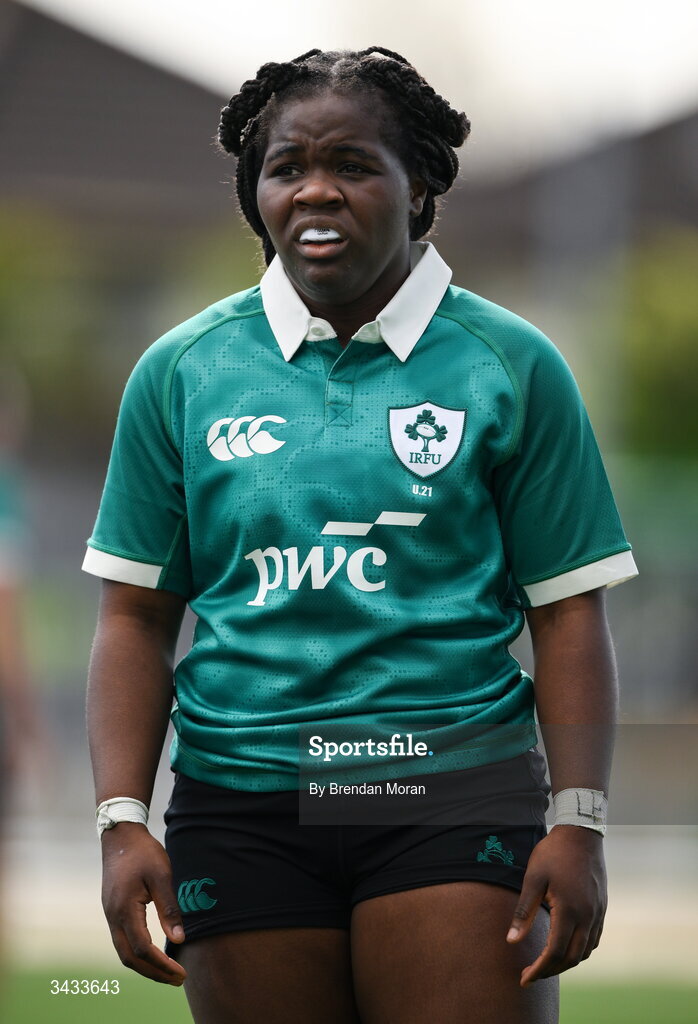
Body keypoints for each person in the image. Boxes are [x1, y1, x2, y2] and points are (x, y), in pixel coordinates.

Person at [83, 47, 638, 1023]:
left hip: (448, 790)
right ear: (254, 191)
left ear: (417, 182)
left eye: (351, 164)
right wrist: (122, 821)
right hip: (244, 805)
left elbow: (566, 615)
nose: (315, 192)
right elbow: (133, 614)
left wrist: (578, 822)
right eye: (286, 167)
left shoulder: (509, 366)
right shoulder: (181, 371)